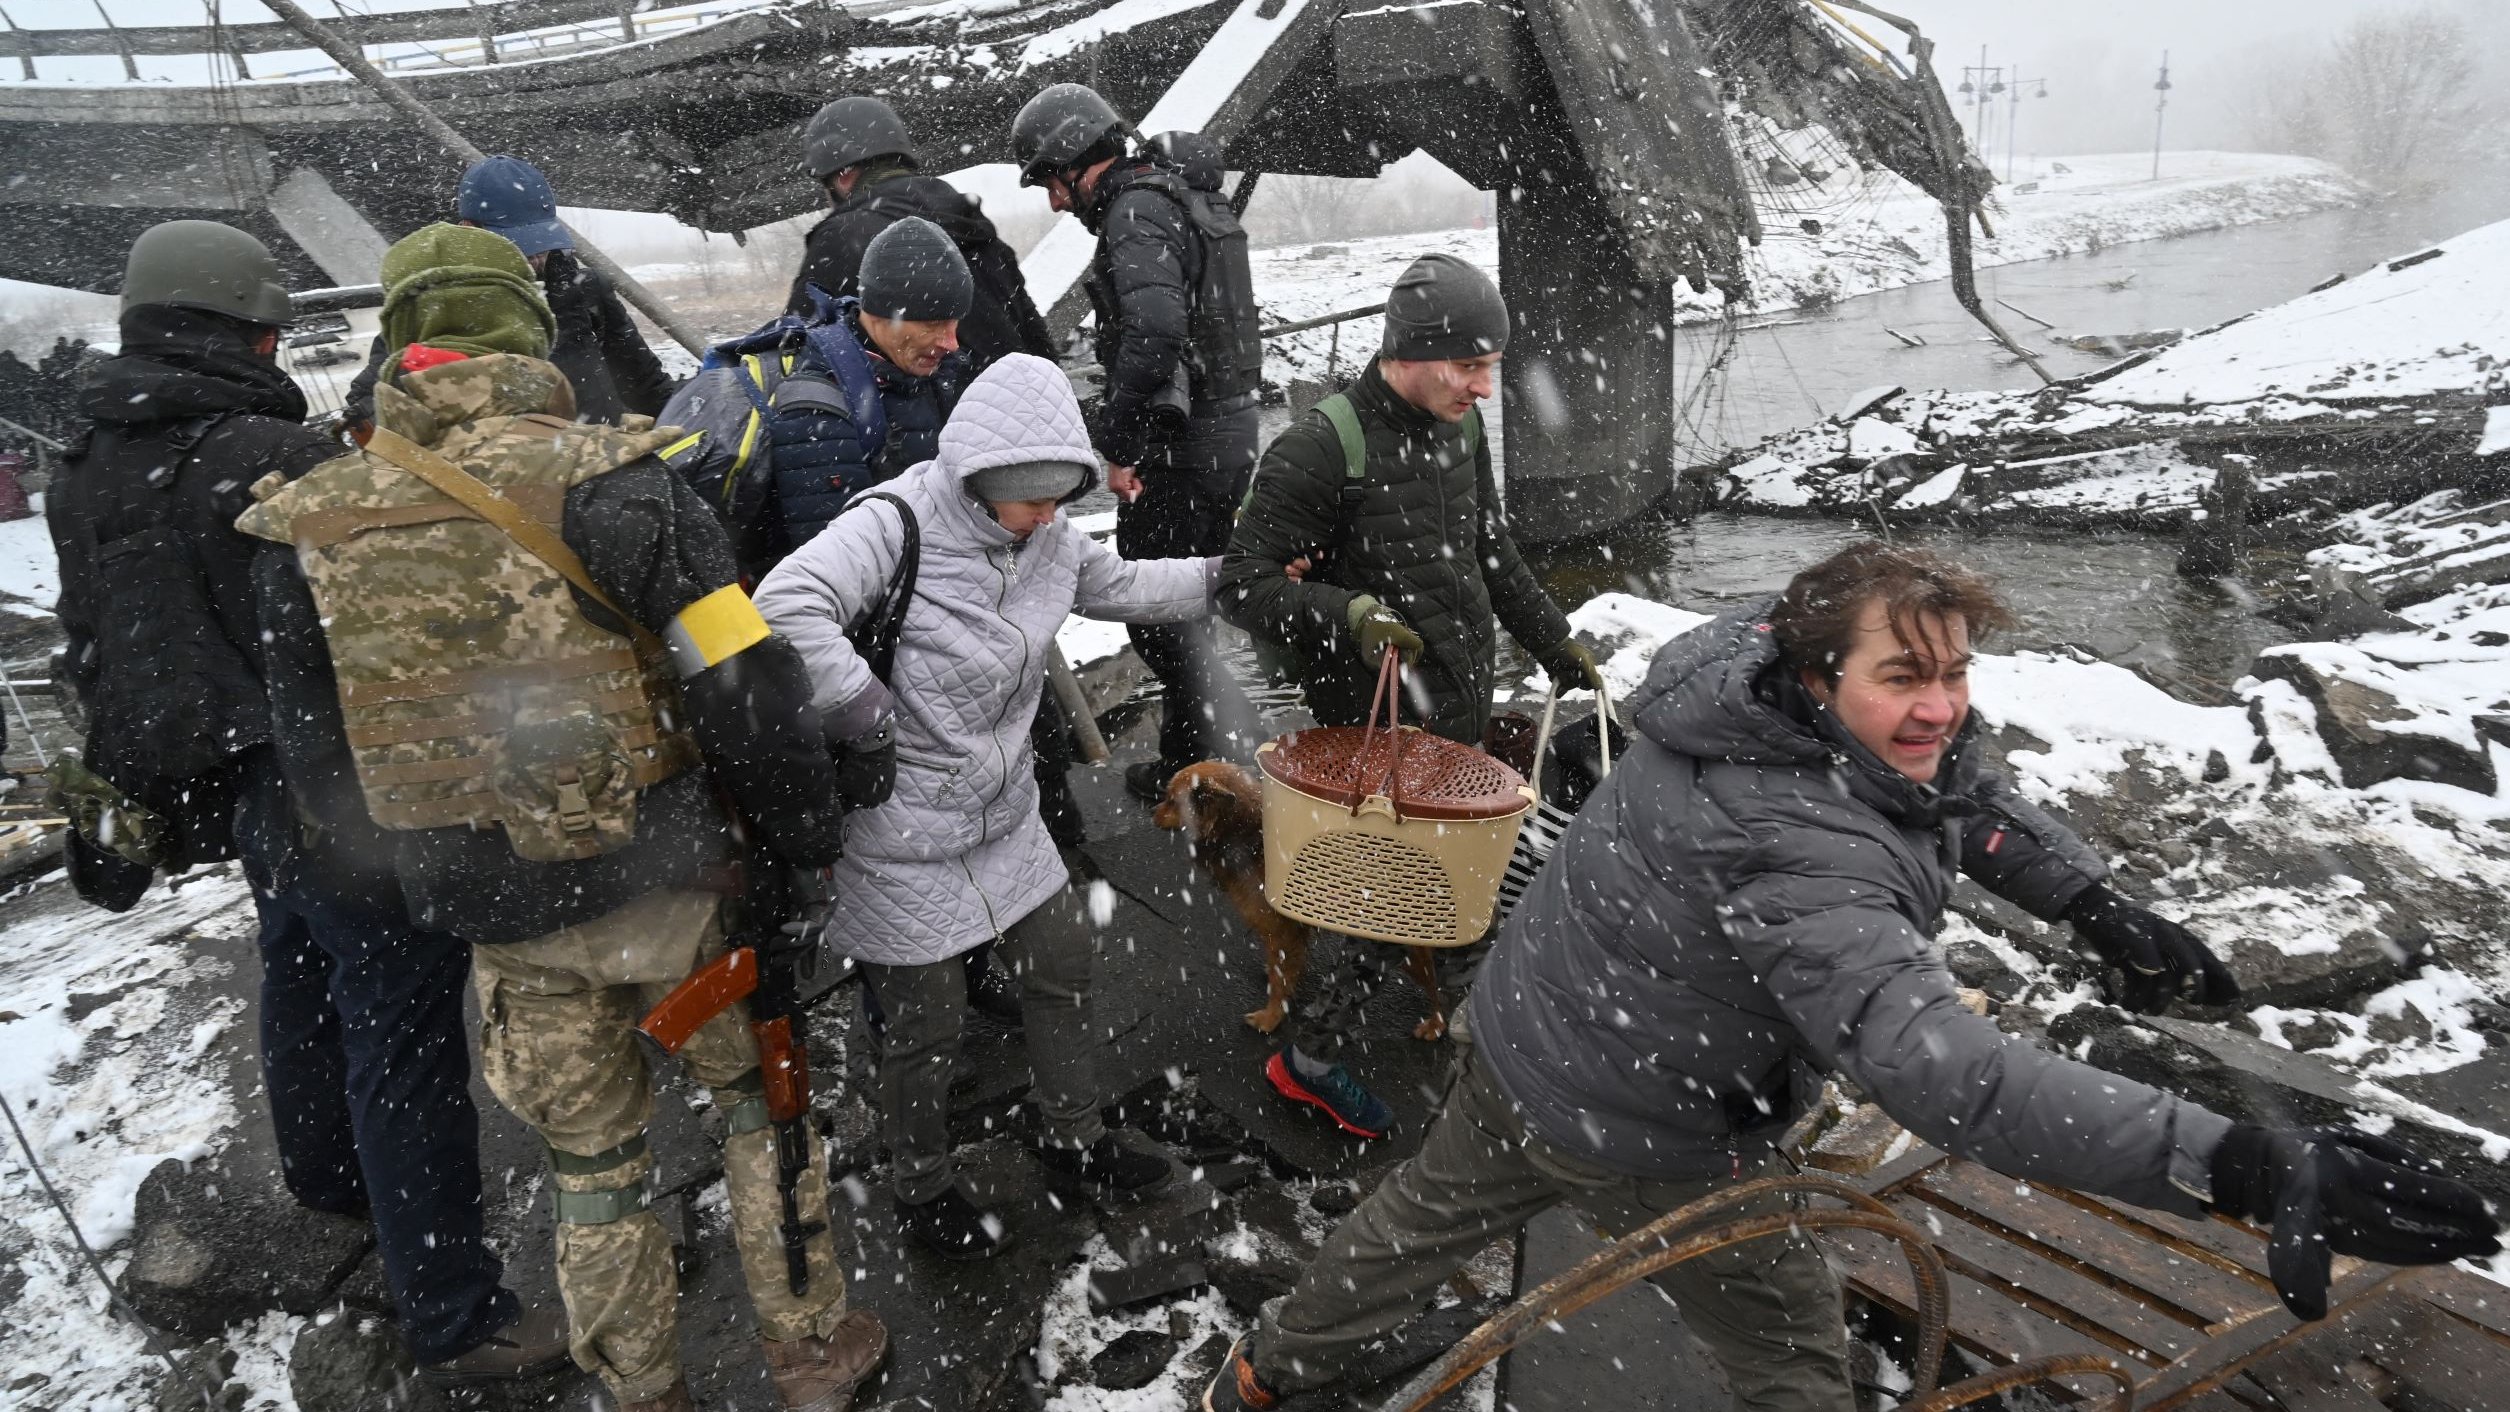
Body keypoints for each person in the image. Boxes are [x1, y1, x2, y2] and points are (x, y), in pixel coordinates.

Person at [1203, 542, 2504, 1411]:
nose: (1938, 705)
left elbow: (1958, 792)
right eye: (1904, 677)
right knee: (1790, 1346)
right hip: (1646, 1119)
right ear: (1819, 670)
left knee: (1418, 1219)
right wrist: (2242, 1163)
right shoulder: (1804, 850)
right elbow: (1946, 1077)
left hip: (1530, 1024)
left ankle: (1261, 1380)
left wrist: (2093, 901)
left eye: (1950, 671)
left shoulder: (1742, 677)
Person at [239, 222, 886, 1412]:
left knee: (591, 1164)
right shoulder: (619, 487)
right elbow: (742, 686)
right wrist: (805, 838)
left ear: (402, 340)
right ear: (528, 334)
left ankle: (642, 1385)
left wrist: (442, 879)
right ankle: (807, 1347)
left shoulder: (304, 531)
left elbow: (320, 770)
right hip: (678, 890)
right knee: (760, 1112)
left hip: (500, 923)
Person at [46, 220, 569, 1381]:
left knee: (294, 967)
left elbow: (103, 642)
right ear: (248, 326)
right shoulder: (265, 449)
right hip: (329, 777)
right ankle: (457, 1313)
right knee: (406, 1024)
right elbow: (362, 625)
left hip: (216, 782)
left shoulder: (81, 464)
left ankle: (329, 1181)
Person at [755, 352, 1220, 1259]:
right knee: (927, 1024)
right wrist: (863, 707)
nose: (1051, 516)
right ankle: (919, 1186)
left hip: (1002, 814)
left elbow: (1125, 586)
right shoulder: (895, 524)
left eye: (1061, 494)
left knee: (1060, 961)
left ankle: (1074, 1136)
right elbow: (784, 603)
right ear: (981, 478)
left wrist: (1227, 576)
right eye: (1033, 497)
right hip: (894, 829)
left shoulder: (1046, 540)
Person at [1214, 253, 1602, 1139]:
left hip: (1456, 710)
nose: (1484, 388)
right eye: (1469, 366)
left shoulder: (1457, 430)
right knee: (1379, 904)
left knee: (1453, 890)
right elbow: (1241, 583)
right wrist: (1346, 611)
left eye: (1492, 367)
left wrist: (1556, 642)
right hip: (1373, 729)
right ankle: (1313, 1065)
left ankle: (1485, 1050)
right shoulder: (1320, 445)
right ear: (1413, 353)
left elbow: (1491, 550)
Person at [767, 217, 1042, 1021]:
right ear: (878, 314)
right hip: (877, 674)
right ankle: (907, 1018)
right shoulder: (818, 413)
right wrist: (870, 706)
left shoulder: (927, 378)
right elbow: (829, 581)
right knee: (889, 844)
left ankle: (969, 972)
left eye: (958, 324)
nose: (953, 343)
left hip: (940, 649)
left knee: (967, 822)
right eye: (934, 325)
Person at [1011, 84, 1262, 802]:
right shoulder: (1178, 196)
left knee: (1163, 619)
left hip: (1184, 449)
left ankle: (1203, 779)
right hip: (1223, 430)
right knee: (1182, 615)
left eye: (1051, 184)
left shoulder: (1135, 212)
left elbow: (1153, 335)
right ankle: (1204, 767)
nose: (1056, 203)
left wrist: (1116, 444)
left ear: (1072, 162)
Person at [345, 155, 672, 430]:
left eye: (539, 242)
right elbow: (368, 400)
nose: (533, 258)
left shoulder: (584, 290)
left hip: (599, 466)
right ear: (469, 229)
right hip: (502, 480)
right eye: (516, 242)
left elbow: (644, 382)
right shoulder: (435, 302)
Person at [788, 96, 1055, 372]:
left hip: (939, 411)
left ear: (843, 176)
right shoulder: (967, 219)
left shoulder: (844, 236)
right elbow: (1036, 337)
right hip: (1022, 402)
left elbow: (792, 349)